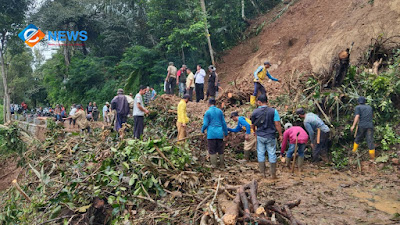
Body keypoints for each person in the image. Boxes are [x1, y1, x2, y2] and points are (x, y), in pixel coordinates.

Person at [250, 94, 282, 179]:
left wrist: (254, 132)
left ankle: (263, 174)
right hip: (270, 135)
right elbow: (277, 124)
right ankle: (273, 175)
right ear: (267, 101)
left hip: (260, 135)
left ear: (259, 102)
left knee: (260, 153)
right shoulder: (273, 111)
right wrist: (280, 134)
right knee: (272, 153)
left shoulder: (255, 112)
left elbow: (252, 124)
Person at [201, 99, 228, 168]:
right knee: (220, 149)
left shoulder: (207, 112)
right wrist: (226, 133)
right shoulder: (220, 111)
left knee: (212, 150)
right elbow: (224, 123)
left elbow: (205, 124)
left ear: (209, 103)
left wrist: (202, 130)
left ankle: (214, 165)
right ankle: (222, 164)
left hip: (211, 134)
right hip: (219, 133)